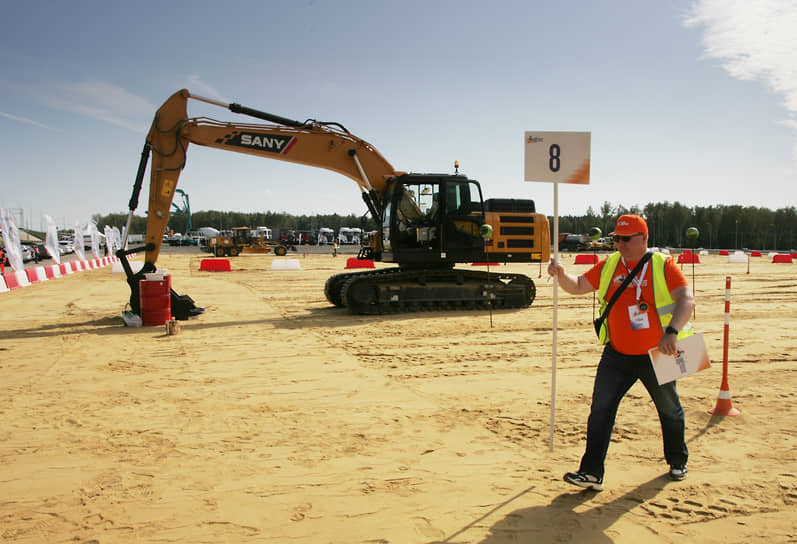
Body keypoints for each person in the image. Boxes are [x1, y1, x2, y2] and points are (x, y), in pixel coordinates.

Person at [547, 214, 695, 491]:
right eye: (617, 238)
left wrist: (672, 332)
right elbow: (579, 286)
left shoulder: (662, 265)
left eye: (626, 239)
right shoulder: (610, 265)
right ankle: (591, 473)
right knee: (600, 411)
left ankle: (678, 460)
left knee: (670, 410)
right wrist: (561, 274)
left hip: (658, 354)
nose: (620, 243)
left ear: (644, 239)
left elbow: (687, 299)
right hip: (617, 354)